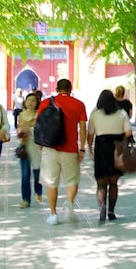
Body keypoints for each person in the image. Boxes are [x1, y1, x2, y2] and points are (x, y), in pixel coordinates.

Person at [36, 78, 88, 225]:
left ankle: (53, 214)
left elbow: (38, 123)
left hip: (50, 148)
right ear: (70, 89)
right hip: (70, 149)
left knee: (51, 183)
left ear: (57, 89)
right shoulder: (79, 104)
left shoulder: (46, 103)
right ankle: (69, 202)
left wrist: (40, 143)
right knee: (72, 180)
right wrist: (82, 148)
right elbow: (83, 128)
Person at [86, 89, 133, 223]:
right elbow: (129, 132)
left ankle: (102, 206)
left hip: (101, 148)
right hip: (117, 148)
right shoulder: (121, 113)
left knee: (101, 184)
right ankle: (112, 211)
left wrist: (89, 148)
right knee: (113, 183)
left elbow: (90, 134)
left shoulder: (95, 114)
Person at [15, 92, 42, 209]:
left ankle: (38, 191)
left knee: (37, 173)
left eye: (33, 100)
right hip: (24, 145)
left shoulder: (39, 115)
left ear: (37, 103)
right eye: (28, 100)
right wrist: (26, 128)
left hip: (36, 146)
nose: (30, 102)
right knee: (25, 175)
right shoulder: (21, 115)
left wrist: (29, 127)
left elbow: (39, 129)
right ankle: (26, 199)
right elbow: (20, 129)